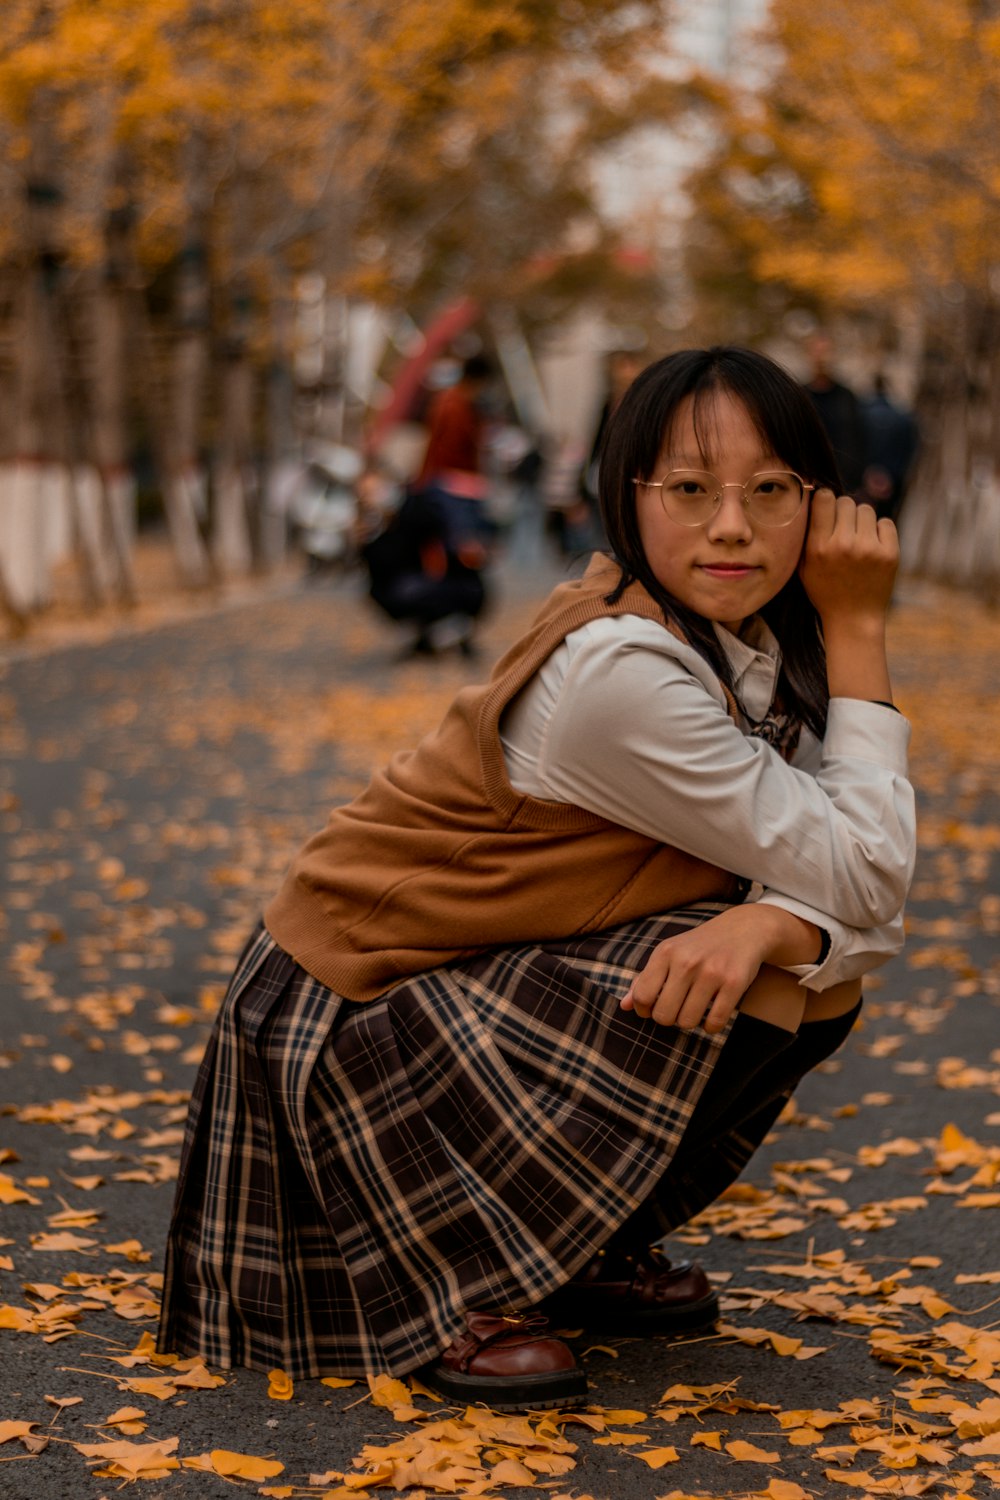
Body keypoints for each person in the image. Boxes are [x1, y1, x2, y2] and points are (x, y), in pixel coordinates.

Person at [158, 346, 915, 1414]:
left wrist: (773, 932)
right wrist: (860, 627)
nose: (732, 526)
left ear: (818, 503)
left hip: (454, 983)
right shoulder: (624, 674)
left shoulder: (734, 644)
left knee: (792, 969)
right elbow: (868, 869)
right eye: (689, 490)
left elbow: (863, 895)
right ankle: (460, 1277)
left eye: (770, 491)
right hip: (342, 1021)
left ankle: (573, 1244)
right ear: (626, 497)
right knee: (745, 947)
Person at [802, 333, 868, 494]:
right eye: (817, 352)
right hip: (807, 483)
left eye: (826, 352)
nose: (822, 358)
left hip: (843, 484)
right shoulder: (799, 396)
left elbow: (859, 439)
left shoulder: (846, 397)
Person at [858, 374, 921, 524]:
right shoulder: (904, 418)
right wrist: (891, 476)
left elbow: (853, 448)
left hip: (864, 482)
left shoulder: (859, 414)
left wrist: (866, 474)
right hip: (891, 485)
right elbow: (910, 453)